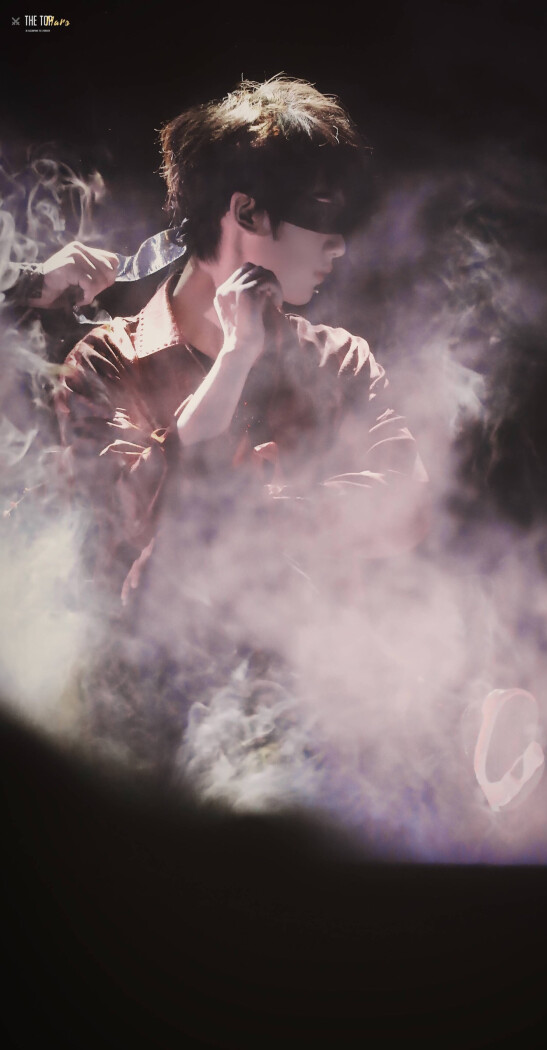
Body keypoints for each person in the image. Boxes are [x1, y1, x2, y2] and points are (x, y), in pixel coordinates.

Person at [53, 77, 429, 776]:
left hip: (324, 735)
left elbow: (404, 503)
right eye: (323, 210)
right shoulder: (106, 363)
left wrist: (256, 509)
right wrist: (234, 362)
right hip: (143, 751)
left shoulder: (339, 362)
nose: (340, 246)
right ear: (247, 212)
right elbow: (127, 529)